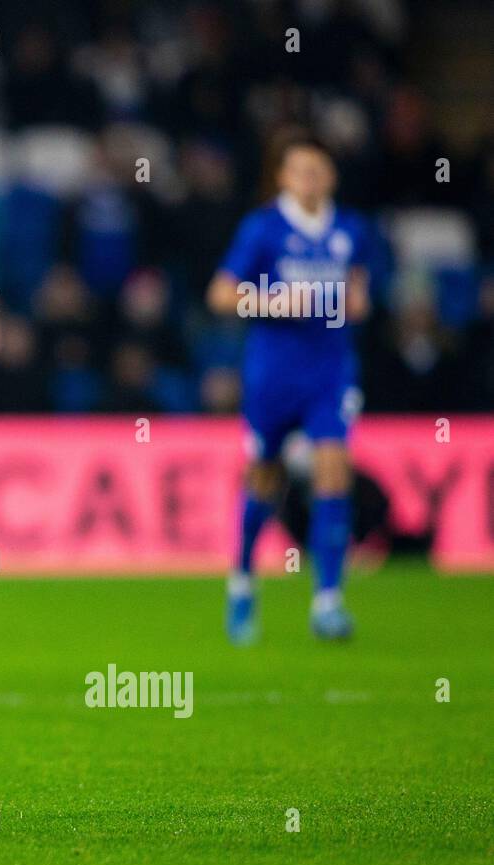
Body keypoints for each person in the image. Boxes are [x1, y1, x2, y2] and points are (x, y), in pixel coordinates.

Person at [206, 133, 371, 644]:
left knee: (333, 465)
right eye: (300, 170)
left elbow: (360, 301)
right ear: (282, 177)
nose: (310, 179)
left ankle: (328, 600)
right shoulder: (263, 228)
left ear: (332, 176)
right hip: (273, 374)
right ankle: (242, 578)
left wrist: (330, 301)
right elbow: (220, 295)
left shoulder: (351, 229)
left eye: (318, 169)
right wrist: (275, 303)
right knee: (265, 476)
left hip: (329, 370)